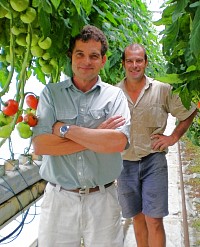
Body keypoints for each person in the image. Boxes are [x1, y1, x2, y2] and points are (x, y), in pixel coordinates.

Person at [32, 25, 130, 247]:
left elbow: (117, 142)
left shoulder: (114, 96)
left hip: (102, 200)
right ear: (71, 56)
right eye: (80, 54)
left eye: (94, 56)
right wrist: (97, 136)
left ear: (103, 60)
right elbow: (40, 145)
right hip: (60, 199)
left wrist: (65, 130)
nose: (87, 61)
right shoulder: (51, 94)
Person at [116, 43, 197, 247]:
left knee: (154, 219)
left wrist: (173, 137)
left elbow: (189, 111)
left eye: (139, 60)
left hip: (154, 161)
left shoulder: (161, 89)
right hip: (124, 164)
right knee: (137, 217)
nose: (135, 65)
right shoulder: (113, 93)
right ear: (123, 64)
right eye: (130, 61)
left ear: (146, 63)